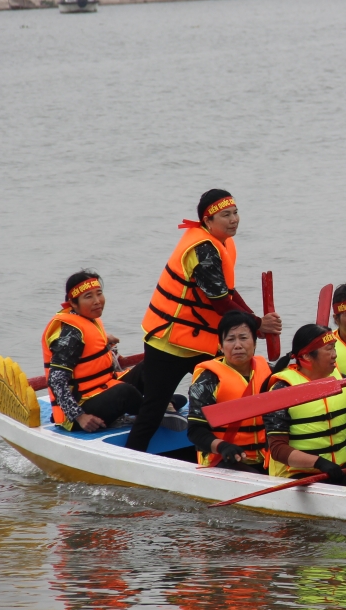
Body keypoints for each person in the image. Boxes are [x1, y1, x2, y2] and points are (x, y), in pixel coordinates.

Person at [133, 190, 281, 451]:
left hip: (201, 340)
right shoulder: (204, 249)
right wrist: (257, 325)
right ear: (207, 221)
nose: (233, 219)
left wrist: (255, 321)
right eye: (225, 215)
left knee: (235, 392)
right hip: (169, 341)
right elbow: (221, 303)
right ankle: (130, 459)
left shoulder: (222, 242)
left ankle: (242, 449)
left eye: (235, 213)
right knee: (153, 409)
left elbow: (228, 291)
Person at [41, 271, 145, 433]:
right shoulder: (71, 334)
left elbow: (89, 344)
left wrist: (105, 339)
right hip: (81, 408)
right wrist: (80, 417)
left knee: (151, 365)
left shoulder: (88, 318)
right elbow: (56, 380)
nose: (97, 301)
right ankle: (156, 410)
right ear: (73, 303)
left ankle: (159, 406)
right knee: (125, 393)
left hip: (103, 387)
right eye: (88, 296)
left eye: (99, 293)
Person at [263, 325, 346, 483]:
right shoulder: (281, 390)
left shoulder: (345, 383)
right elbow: (278, 449)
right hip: (297, 474)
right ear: (306, 356)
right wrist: (318, 463)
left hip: (341, 468)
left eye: (334, 348)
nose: (335, 355)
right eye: (329, 349)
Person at [186, 311, 272, 472]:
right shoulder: (208, 380)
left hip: (267, 458)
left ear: (254, 343)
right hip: (222, 458)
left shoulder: (270, 373)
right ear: (220, 345)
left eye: (243, 338)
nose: (237, 345)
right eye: (230, 339)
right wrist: (222, 446)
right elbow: (195, 431)